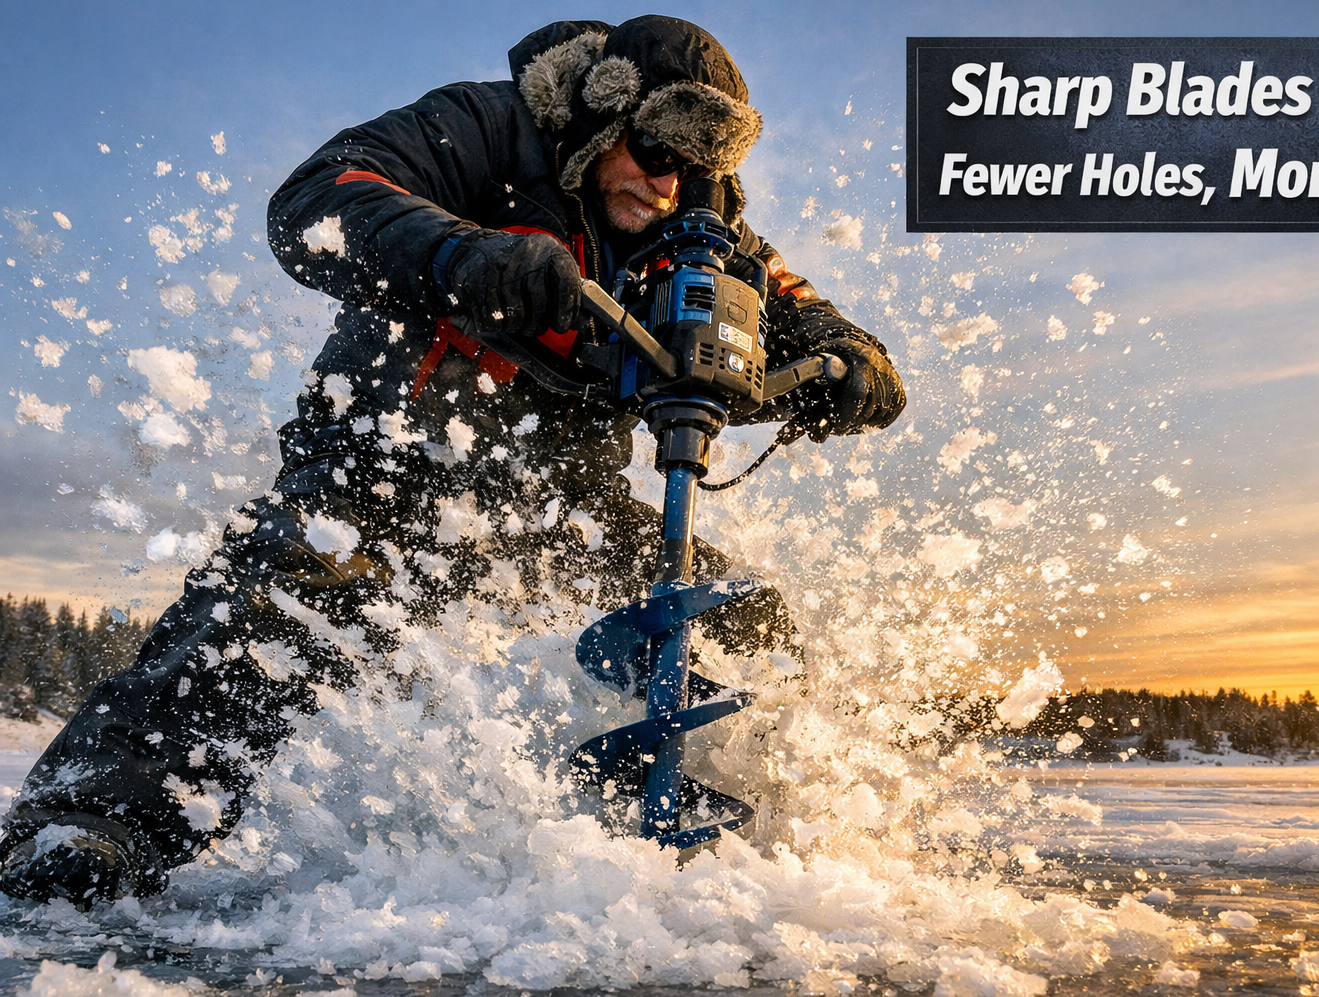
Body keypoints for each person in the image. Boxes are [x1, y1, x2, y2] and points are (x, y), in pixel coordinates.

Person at [0, 15, 904, 908]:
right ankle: (89, 822)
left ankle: (767, 836)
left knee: (744, 624)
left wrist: (850, 360)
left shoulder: (703, 220)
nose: (671, 184)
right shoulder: (491, 126)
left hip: (557, 504)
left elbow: (798, 304)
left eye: (700, 165)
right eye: (655, 150)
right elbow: (314, 196)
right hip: (387, 463)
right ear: (603, 113)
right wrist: (460, 253)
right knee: (274, 602)